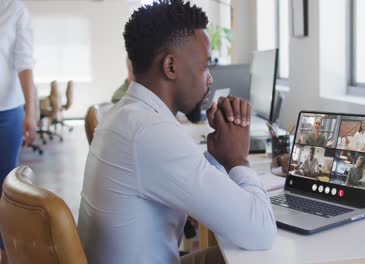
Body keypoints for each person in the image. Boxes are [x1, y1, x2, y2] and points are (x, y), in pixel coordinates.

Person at [77, 1, 276, 264]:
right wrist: (238, 160)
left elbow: (189, 182)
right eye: (205, 66)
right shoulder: (149, 133)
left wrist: (216, 156)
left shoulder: (127, 115)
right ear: (171, 66)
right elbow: (261, 232)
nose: (210, 79)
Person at [0, 1, 37, 263]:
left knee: (4, 188)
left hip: (7, 112)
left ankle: (5, 253)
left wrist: (31, 112)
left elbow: (24, 64)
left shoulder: (15, 10)